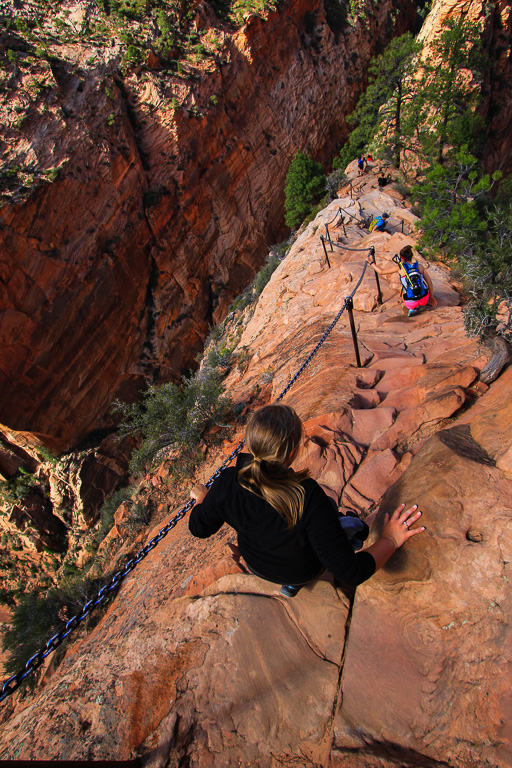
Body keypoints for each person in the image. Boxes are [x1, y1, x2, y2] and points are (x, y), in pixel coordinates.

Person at [189, 404, 425, 597]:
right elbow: (351, 572)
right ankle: (347, 529)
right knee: (333, 512)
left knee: (324, 515)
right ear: (291, 453)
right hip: (303, 570)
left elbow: (198, 528)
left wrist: (203, 499)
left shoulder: (229, 482)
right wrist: (391, 539)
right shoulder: (306, 496)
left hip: (257, 564)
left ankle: (291, 583)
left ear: (250, 445)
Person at [367, 244, 437, 316]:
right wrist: (431, 297)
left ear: (402, 258)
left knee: (403, 289)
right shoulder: (419, 266)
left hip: (410, 303)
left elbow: (381, 272)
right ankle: (419, 301)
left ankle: (412, 308)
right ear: (411, 256)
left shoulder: (399, 267)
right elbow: (429, 282)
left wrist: (370, 262)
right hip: (424, 300)